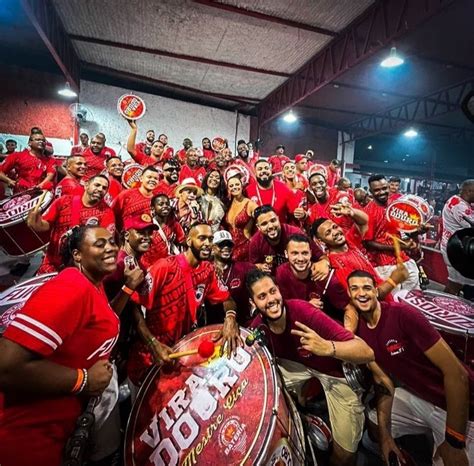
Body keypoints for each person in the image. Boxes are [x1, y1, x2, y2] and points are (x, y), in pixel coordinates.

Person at [0, 225, 119, 466]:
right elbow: (6, 366)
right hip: (26, 441)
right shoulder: (71, 285)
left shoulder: (94, 284)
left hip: (59, 435)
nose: (111, 248)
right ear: (77, 254)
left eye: (112, 242)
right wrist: (83, 379)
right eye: (100, 244)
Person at [247, 270, 374, 466]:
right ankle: (302, 410)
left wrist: (327, 347)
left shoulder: (303, 311)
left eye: (273, 291)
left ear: (280, 291)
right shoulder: (258, 329)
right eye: (262, 296)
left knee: (345, 455)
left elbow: (366, 352)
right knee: (268, 383)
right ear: (253, 303)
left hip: (335, 372)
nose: (271, 300)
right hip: (300, 367)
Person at [349, 270, 474, 466]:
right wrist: (385, 437)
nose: (361, 293)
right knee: (374, 423)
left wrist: (454, 441)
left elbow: (458, 375)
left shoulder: (403, 315)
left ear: (376, 290)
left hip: (460, 407)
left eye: (366, 287)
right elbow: (383, 382)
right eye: (354, 289)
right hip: (421, 399)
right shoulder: (362, 330)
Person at [127, 223, 241, 385]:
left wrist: (230, 319)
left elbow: (227, 299)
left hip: (181, 353)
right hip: (149, 357)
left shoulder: (208, 271)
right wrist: (152, 343)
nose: (207, 243)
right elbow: (134, 306)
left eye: (210, 239)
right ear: (188, 241)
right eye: (202, 238)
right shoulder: (164, 267)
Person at [310, 208, 408, 300]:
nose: (335, 232)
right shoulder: (337, 265)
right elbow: (366, 298)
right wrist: (393, 280)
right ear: (321, 242)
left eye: (335, 227)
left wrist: (351, 212)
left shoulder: (349, 242)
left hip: (387, 300)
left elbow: (364, 221)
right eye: (328, 233)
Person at [28, 174, 115, 274]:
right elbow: (44, 226)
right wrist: (35, 223)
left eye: (104, 188)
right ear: (86, 185)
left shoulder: (107, 213)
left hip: (80, 269)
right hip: (51, 264)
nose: (100, 189)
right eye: (97, 185)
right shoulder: (63, 201)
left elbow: (104, 244)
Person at [275, 234, 357, 331]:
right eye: (295, 253)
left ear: (311, 253)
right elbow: (284, 306)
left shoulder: (323, 277)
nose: (300, 259)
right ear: (286, 254)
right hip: (299, 327)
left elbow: (350, 308)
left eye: (304, 253)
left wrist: (347, 338)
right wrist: (306, 307)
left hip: (328, 328)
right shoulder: (281, 273)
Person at [363, 175, 420, 291]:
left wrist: (417, 231)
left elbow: (406, 229)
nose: (382, 192)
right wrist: (397, 247)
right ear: (371, 192)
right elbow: (368, 243)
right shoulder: (368, 213)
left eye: (384, 188)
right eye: (377, 190)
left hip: (404, 259)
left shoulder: (395, 205)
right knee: (393, 302)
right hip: (383, 265)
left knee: (414, 297)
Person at [249, 205, 326, 275]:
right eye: (264, 224)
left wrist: (323, 264)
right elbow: (253, 266)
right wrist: (259, 267)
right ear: (258, 227)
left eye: (273, 220)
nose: (270, 226)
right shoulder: (255, 242)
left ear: (278, 219)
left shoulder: (296, 233)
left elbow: (321, 257)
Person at [212, 230, 255, 326]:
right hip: (212, 327)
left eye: (229, 244)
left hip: (242, 325)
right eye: (221, 244)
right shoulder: (206, 270)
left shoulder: (245, 268)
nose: (226, 247)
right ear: (213, 248)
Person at [440, 179, 474, 295]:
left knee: (456, 283)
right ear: (469, 191)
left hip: (453, 246)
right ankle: (442, 308)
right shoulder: (460, 206)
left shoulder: (456, 200)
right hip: (455, 250)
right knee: (455, 284)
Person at [140, 193, 185, 268]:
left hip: (170, 266)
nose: (165, 206)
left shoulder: (174, 224)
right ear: (153, 208)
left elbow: (184, 241)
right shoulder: (147, 227)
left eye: (167, 204)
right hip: (151, 267)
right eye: (161, 204)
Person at [112, 166, 159, 231]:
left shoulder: (158, 200)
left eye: (156, 178)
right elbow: (112, 214)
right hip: (125, 238)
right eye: (149, 177)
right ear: (141, 178)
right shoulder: (126, 195)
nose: (153, 180)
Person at [224, 175, 257, 261]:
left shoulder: (250, 204)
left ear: (242, 186)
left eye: (237, 184)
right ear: (228, 189)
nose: (234, 187)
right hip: (231, 249)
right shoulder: (229, 205)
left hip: (246, 248)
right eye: (231, 186)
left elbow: (263, 219)